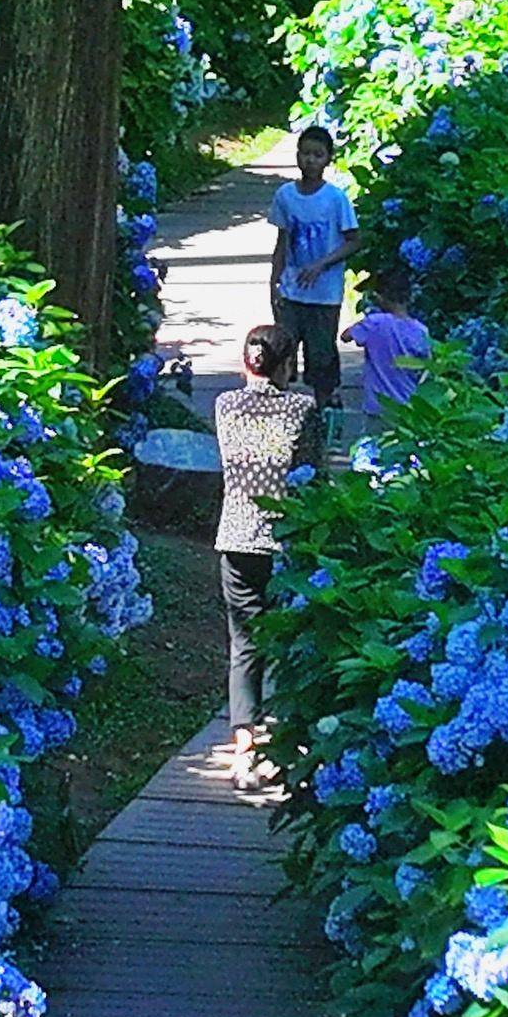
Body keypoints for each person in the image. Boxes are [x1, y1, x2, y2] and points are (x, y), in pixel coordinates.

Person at [214, 324, 322, 789]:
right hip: (286, 538)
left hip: (236, 537)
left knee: (245, 643)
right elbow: (311, 471)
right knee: (292, 642)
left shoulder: (224, 405)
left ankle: (243, 748)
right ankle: (289, 741)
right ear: (286, 366)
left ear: (246, 362)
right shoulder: (302, 407)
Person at [270, 125, 360, 414]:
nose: (310, 160)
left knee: (321, 356)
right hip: (292, 290)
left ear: (328, 159)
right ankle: (279, 414)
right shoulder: (285, 196)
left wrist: (322, 264)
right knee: (280, 353)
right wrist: (274, 281)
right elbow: (282, 241)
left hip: (324, 294)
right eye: (305, 154)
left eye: (318, 155)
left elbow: (354, 241)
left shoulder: (336, 199)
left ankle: (324, 410)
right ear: (297, 156)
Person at [341, 263, 430, 418]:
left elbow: (346, 336)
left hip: (377, 406)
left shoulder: (374, 323)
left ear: (380, 297)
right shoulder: (421, 330)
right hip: (407, 406)